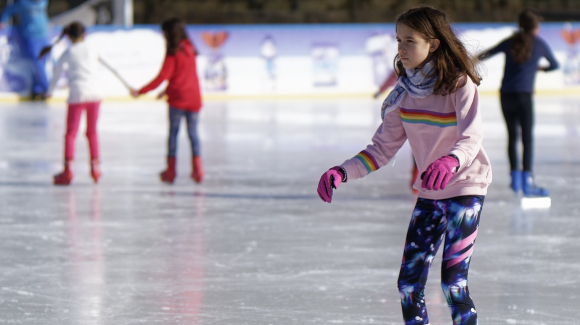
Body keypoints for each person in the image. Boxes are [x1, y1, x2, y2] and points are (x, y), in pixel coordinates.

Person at [317, 6, 491, 325]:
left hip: (466, 190)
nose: (401, 48)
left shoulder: (458, 84)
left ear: (433, 44)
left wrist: (450, 161)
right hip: (430, 192)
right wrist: (342, 171)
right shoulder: (404, 93)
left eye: (409, 40)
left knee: (453, 284)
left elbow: (471, 137)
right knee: (408, 285)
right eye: (398, 40)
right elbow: (381, 150)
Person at [478, 8, 558, 197]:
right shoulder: (539, 44)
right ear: (536, 27)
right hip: (524, 96)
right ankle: (527, 181)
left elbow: (486, 54)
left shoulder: (510, 42)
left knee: (512, 136)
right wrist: (539, 68)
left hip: (506, 95)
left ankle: (514, 179)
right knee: (527, 138)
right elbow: (555, 65)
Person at [130, 17, 203, 184]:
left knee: (173, 135)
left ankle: (171, 171)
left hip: (178, 101)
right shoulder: (190, 48)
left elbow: (164, 76)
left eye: (164, 32)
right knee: (193, 134)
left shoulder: (173, 51)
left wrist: (140, 91)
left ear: (170, 33)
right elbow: (183, 76)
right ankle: (198, 170)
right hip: (193, 99)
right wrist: (167, 91)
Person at [47, 22, 120, 185]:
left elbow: (56, 74)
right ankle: (95, 169)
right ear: (84, 34)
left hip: (77, 96)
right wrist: (129, 86)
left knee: (71, 134)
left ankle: (68, 170)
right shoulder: (92, 49)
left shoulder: (68, 52)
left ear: (69, 36)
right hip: (95, 95)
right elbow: (111, 66)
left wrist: (50, 92)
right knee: (92, 132)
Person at [0, 0, 50, 99]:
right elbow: (8, 10)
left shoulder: (44, 2)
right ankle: (47, 87)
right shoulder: (23, 3)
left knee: (43, 62)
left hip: (44, 36)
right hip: (31, 36)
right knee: (37, 62)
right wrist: (3, 20)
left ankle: (37, 89)